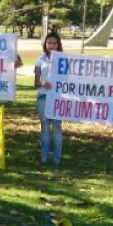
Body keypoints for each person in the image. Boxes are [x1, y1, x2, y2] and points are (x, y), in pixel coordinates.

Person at [34, 32, 64, 166]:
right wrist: (42, 84)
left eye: (54, 43)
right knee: (45, 127)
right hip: (43, 97)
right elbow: (35, 81)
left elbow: (68, 80)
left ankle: (57, 158)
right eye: (49, 43)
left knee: (57, 127)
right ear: (45, 44)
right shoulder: (40, 60)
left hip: (58, 98)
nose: (51, 45)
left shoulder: (64, 60)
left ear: (58, 45)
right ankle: (44, 157)